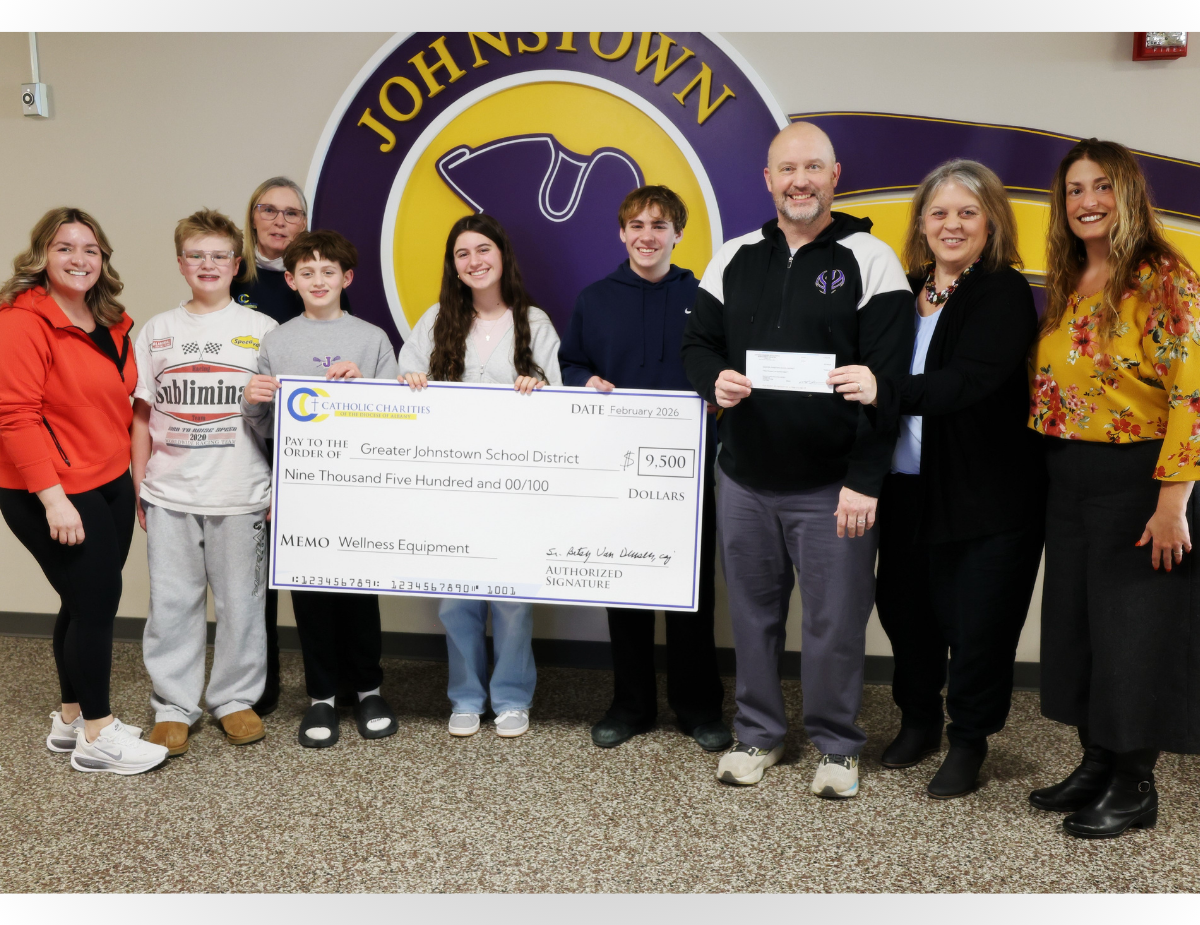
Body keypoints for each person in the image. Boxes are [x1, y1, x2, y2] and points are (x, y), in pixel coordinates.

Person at [681, 122, 911, 796]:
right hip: (745, 479)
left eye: (812, 167)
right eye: (787, 169)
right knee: (752, 616)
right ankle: (757, 734)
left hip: (834, 486)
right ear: (768, 180)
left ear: (835, 175)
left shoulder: (873, 260)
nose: (799, 181)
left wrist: (865, 480)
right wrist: (712, 380)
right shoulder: (734, 256)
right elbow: (698, 343)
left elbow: (887, 382)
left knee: (835, 622)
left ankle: (838, 747)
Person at [827, 159, 1046, 798]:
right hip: (905, 487)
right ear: (921, 222)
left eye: (967, 213)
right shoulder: (904, 287)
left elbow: (968, 381)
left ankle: (969, 741)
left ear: (990, 222)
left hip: (986, 494)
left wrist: (883, 389)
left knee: (978, 628)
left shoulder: (1002, 290)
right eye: (940, 212)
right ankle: (918, 720)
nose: (952, 224)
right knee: (905, 614)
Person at [1026, 139, 1200, 838]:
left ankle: (1134, 784)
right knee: (1081, 628)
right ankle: (1096, 759)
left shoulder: (1162, 277)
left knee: (1134, 637)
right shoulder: (1072, 275)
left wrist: (1172, 504)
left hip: (1139, 482)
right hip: (1068, 477)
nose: (1087, 201)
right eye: (1074, 189)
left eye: (1101, 186)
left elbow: (1193, 394)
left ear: (1128, 193)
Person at [559, 185, 729, 752]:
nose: (647, 235)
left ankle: (699, 707)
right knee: (625, 586)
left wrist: (715, 394)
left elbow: (724, 366)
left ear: (678, 233)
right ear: (621, 233)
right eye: (636, 225)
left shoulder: (705, 294)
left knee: (691, 593)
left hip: (687, 469)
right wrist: (587, 382)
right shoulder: (594, 297)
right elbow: (572, 361)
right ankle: (630, 705)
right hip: (615, 470)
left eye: (659, 225)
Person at [0, 208, 168, 775]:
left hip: (108, 479)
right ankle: (98, 735)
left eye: (90, 249)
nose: (79, 259)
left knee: (82, 600)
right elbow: (15, 417)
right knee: (97, 604)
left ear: (103, 259)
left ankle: (71, 717)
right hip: (48, 488)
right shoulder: (22, 322)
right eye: (65, 248)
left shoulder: (115, 322)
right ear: (41, 257)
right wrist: (52, 499)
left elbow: (120, 402)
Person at [398, 213, 562, 739]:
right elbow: (400, 392)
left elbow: (561, 404)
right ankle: (466, 696)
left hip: (516, 487)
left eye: (483, 249)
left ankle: (512, 697)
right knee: (456, 601)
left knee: (512, 599)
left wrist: (537, 390)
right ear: (453, 265)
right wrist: (412, 381)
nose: (474, 261)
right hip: (451, 488)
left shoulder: (533, 323)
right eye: (463, 253)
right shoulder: (435, 320)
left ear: (502, 255)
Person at [242, 229, 400, 747]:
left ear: (346, 278)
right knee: (309, 596)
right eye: (306, 272)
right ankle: (322, 698)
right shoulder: (277, 340)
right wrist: (254, 400)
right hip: (300, 491)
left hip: (359, 491)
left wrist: (369, 388)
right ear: (290, 280)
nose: (317, 280)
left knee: (358, 593)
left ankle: (369, 688)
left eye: (328, 271)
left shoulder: (372, 339)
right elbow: (264, 427)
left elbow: (396, 417)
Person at [128, 208, 276, 757]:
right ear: (180, 263)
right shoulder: (159, 330)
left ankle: (235, 699)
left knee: (241, 602)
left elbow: (284, 418)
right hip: (169, 491)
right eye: (197, 255)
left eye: (219, 256)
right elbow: (141, 415)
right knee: (172, 601)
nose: (207, 265)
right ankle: (173, 705)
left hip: (241, 490)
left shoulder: (262, 331)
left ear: (236, 265)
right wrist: (139, 484)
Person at [230, 176, 346, 717]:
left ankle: (330, 679)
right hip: (240, 441)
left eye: (292, 213)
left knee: (305, 566)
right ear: (252, 217)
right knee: (254, 579)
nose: (279, 221)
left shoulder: (320, 282)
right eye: (268, 210)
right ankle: (258, 683)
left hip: (308, 451)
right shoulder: (233, 278)